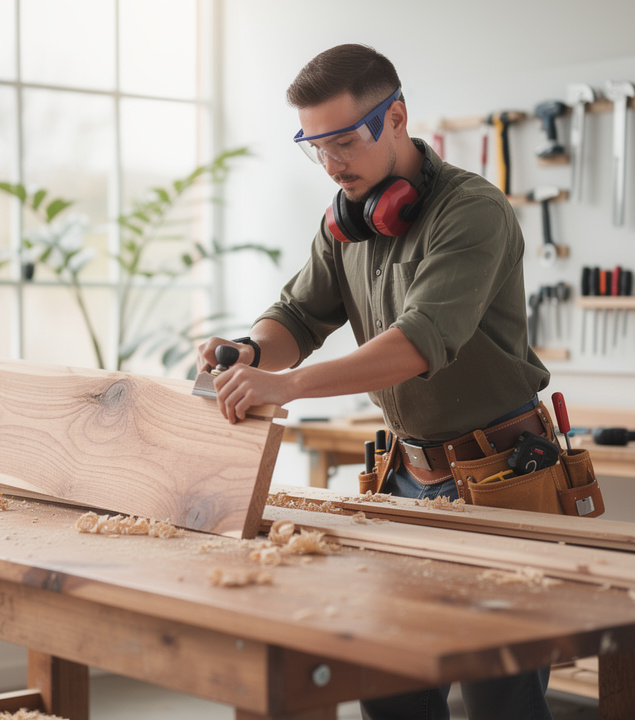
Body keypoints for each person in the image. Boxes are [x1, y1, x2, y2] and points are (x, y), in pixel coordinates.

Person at [196, 43, 553, 720]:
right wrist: (248, 352)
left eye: (344, 140)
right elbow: (298, 316)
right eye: (315, 145)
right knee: (391, 693)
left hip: (503, 476)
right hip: (405, 475)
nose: (332, 164)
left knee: (498, 697)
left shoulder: (472, 211)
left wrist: (291, 387)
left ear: (397, 119)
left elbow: (421, 343)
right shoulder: (346, 221)